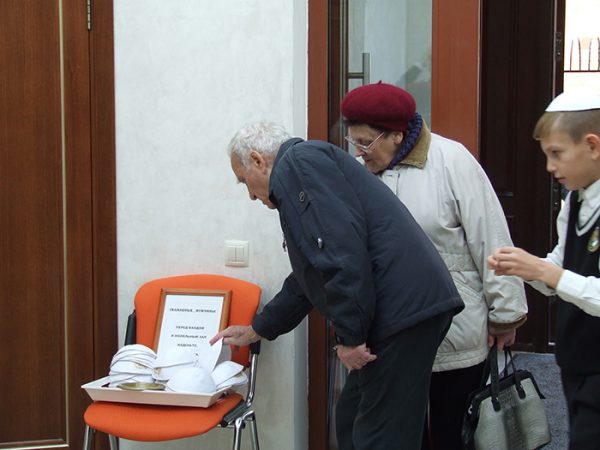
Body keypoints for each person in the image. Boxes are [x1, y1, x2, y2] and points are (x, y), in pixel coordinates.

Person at [210, 121, 464, 449]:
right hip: (403, 310)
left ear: (259, 160)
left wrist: (351, 337)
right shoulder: (302, 168)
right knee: (352, 419)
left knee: (380, 438)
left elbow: (341, 256)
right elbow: (309, 277)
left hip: (402, 314)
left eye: (245, 181)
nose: (250, 195)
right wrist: (259, 328)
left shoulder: (298, 166)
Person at [340, 82, 528, 450]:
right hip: (390, 337)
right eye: (353, 143)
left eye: (366, 142)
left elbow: (491, 238)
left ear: (395, 134)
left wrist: (506, 312)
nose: (359, 153)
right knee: (400, 435)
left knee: (452, 431)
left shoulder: (451, 161)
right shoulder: (359, 172)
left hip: (454, 328)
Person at [488, 91, 600, 449]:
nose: (550, 167)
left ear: (593, 145)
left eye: (557, 154)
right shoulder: (575, 201)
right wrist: (526, 268)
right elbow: (560, 271)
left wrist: (546, 272)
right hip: (577, 358)